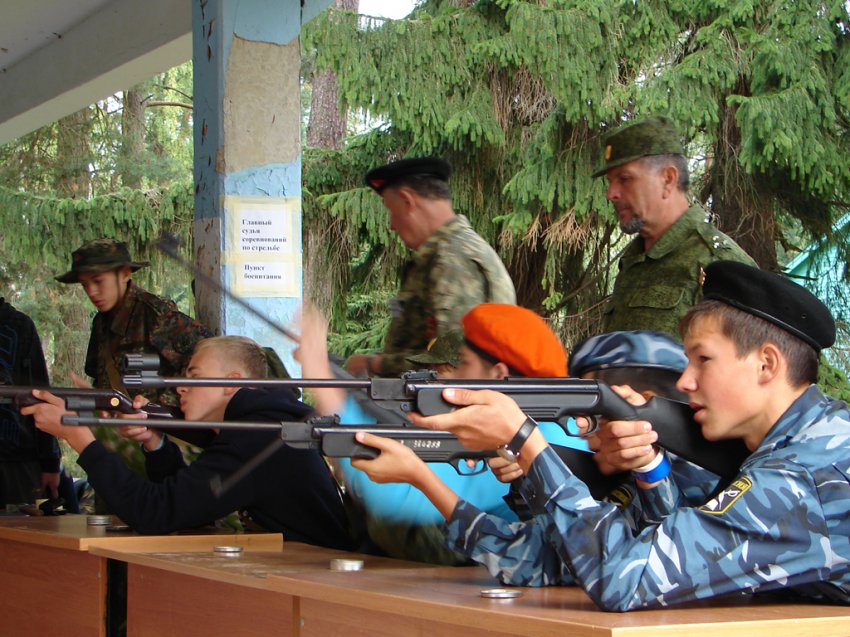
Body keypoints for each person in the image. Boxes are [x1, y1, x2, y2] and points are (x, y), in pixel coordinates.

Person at [351, 260, 850, 610]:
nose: (685, 381)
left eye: (703, 359)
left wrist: (526, 441)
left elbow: (625, 579)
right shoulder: (775, 450)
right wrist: (651, 472)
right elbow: (553, 561)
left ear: (766, 364)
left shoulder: (800, 477)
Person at [297, 302, 570, 563]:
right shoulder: (541, 428)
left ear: (498, 374)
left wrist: (321, 377)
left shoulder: (525, 437)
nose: (450, 376)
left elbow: (396, 497)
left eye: (463, 363)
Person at [23, 336, 354, 549]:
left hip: (316, 585)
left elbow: (154, 512)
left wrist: (79, 437)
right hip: (301, 569)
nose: (181, 387)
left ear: (231, 383)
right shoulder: (259, 425)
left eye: (194, 377)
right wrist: (155, 443)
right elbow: (189, 506)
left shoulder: (257, 437)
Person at [346, 157, 516, 377]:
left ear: (407, 201)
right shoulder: (446, 253)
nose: (392, 225)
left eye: (392, 211)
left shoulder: (452, 258)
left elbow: (450, 366)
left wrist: (375, 364)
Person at [595, 116, 755, 336]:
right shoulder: (633, 262)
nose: (611, 193)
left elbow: (745, 354)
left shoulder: (718, 262)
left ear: (668, 179)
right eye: (610, 181)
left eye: (624, 179)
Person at [54, 238, 213, 404]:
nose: (91, 292)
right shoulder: (101, 322)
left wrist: (158, 404)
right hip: (119, 418)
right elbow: (101, 379)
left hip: (157, 419)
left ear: (125, 274)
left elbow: (210, 364)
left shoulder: (155, 314)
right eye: (84, 285)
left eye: (98, 281)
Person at [0, 298, 60, 507]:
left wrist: (50, 462)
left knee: (21, 525)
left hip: (17, 462)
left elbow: (40, 393)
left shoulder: (20, 325)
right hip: (19, 460)